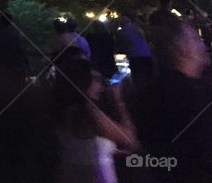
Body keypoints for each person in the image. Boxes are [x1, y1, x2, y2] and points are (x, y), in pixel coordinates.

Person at [136, 19, 212, 182]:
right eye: (195, 39)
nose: (202, 44)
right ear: (182, 49)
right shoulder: (184, 94)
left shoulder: (156, 88)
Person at [53, 53, 136, 183]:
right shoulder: (88, 113)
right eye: (96, 79)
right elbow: (129, 138)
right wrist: (118, 100)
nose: (102, 85)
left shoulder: (59, 111)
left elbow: (82, 150)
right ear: (84, 82)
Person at [0, 15, 31, 80]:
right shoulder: (15, 33)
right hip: (16, 66)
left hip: (3, 67)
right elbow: (21, 50)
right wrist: (27, 65)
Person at [114, 16, 152, 84]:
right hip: (147, 54)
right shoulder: (138, 30)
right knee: (148, 76)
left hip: (135, 56)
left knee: (137, 77)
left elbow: (119, 46)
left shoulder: (121, 33)